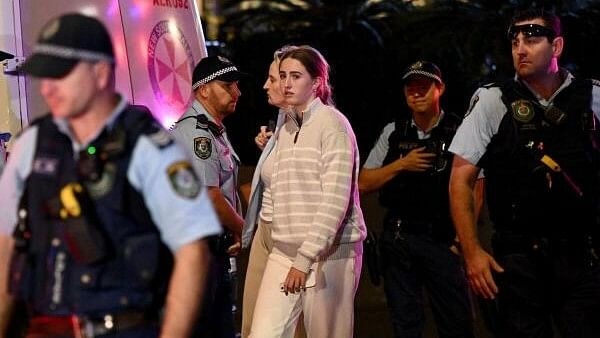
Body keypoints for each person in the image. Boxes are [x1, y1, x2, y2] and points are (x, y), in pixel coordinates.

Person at [0, 13, 221, 338]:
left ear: (100, 73)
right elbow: (6, 247)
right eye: (44, 77)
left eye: (60, 75)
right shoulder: (31, 145)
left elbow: (193, 252)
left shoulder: (149, 147)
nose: (47, 88)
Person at [449, 9, 600, 337]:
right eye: (515, 41)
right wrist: (472, 252)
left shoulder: (592, 97)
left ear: (556, 46)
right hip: (518, 261)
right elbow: (460, 179)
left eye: (531, 40)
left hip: (582, 256)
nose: (520, 48)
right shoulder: (493, 100)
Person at [243, 45, 366, 338]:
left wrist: (305, 258)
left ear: (317, 82)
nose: (286, 83)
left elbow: (334, 201)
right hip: (284, 252)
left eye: (296, 76)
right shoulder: (286, 125)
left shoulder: (332, 125)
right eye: (283, 75)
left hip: (330, 254)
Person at [359, 61, 475, 338]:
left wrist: (464, 240)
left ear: (440, 88)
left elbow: (476, 187)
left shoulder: (459, 129)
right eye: (411, 87)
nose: (417, 93)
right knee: (405, 324)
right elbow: (363, 182)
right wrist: (402, 164)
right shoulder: (394, 131)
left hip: (443, 240)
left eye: (424, 86)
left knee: (456, 322)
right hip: (399, 240)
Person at [170, 55, 245, 338]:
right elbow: (210, 197)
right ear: (203, 90)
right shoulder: (196, 133)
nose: (237, 92)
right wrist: (244, 229)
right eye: (228, 85)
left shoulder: (214, 130)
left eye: (236, 85)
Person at [241, 45, 310, 338]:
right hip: (266, 230)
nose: (267, 84)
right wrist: (268, 148)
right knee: (252, 325)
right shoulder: (283, 122)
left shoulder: (317, 124)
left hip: (290, 236)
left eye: (276, 77)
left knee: (290, 328)